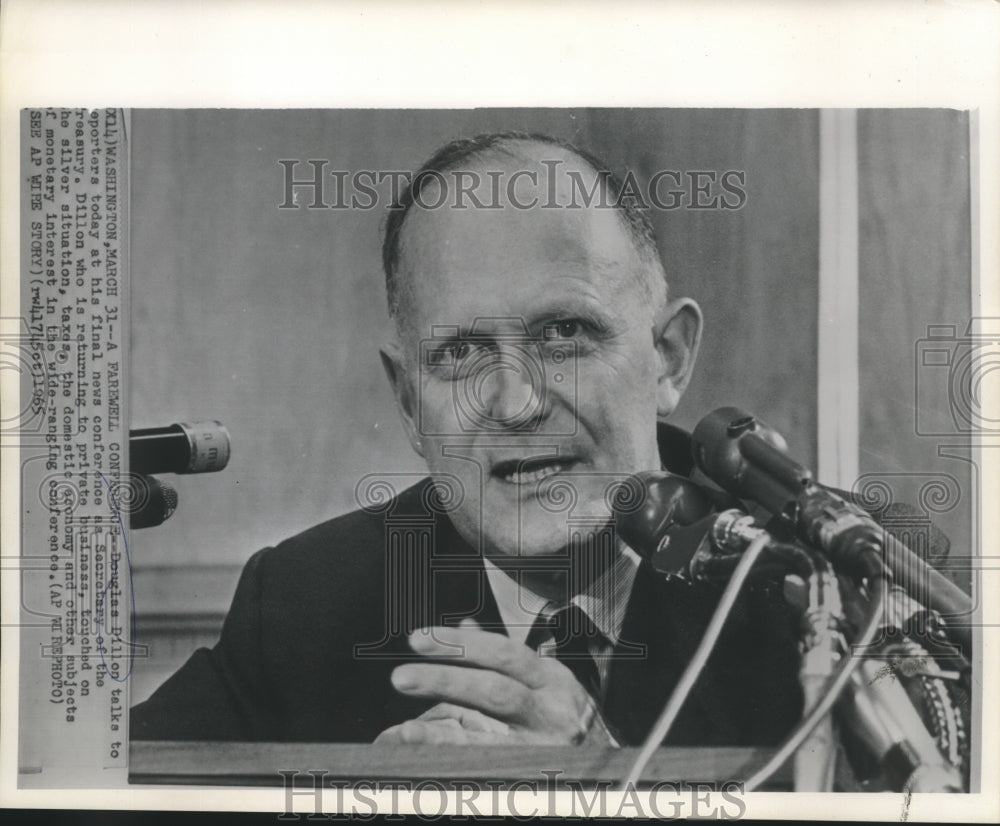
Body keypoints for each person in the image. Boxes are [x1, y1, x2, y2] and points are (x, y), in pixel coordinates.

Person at [129, 132, 805, 747]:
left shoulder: (819, 585)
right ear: (407, 401)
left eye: (564, 334)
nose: (515, 404)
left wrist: (599, 782)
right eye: (459, 353)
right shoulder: (303, 604)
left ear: (670, 359)